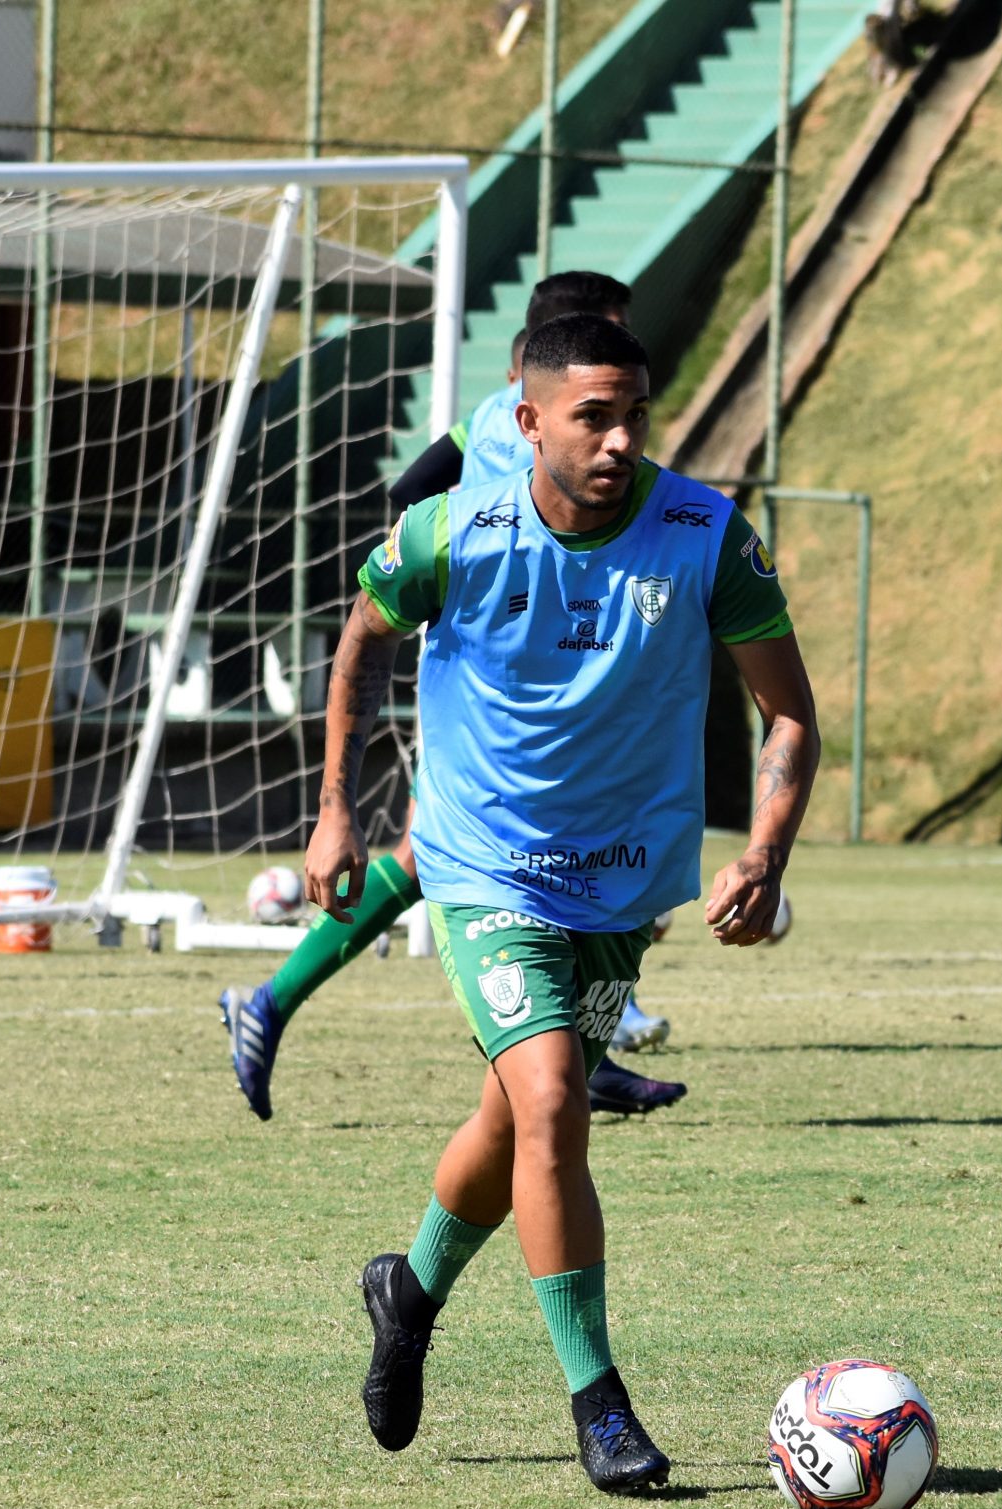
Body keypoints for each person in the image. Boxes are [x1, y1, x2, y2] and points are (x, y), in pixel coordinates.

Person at [313, 313, 818, 1491]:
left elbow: (787, 711)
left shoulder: (704, 536)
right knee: (551, 1100)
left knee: (511, 1121)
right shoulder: (452, 533)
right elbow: (361, 644)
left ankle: (409, 1288)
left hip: (623, 885)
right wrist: (338, 808)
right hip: (484, 865)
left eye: (637, 413)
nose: (620, 439)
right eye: (593, 415)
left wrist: (768, 851)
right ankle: (600, 1404)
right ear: (527, 419)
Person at [219, 273, 679, 1124]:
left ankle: (583, 1046)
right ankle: (275, 1000)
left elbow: (409, 488)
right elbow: (409, 506)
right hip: (491, 693)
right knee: (446, 854)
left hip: (560, 686)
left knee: (459, 854)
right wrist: (456, 578)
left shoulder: (511, 425)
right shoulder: (510, 426)